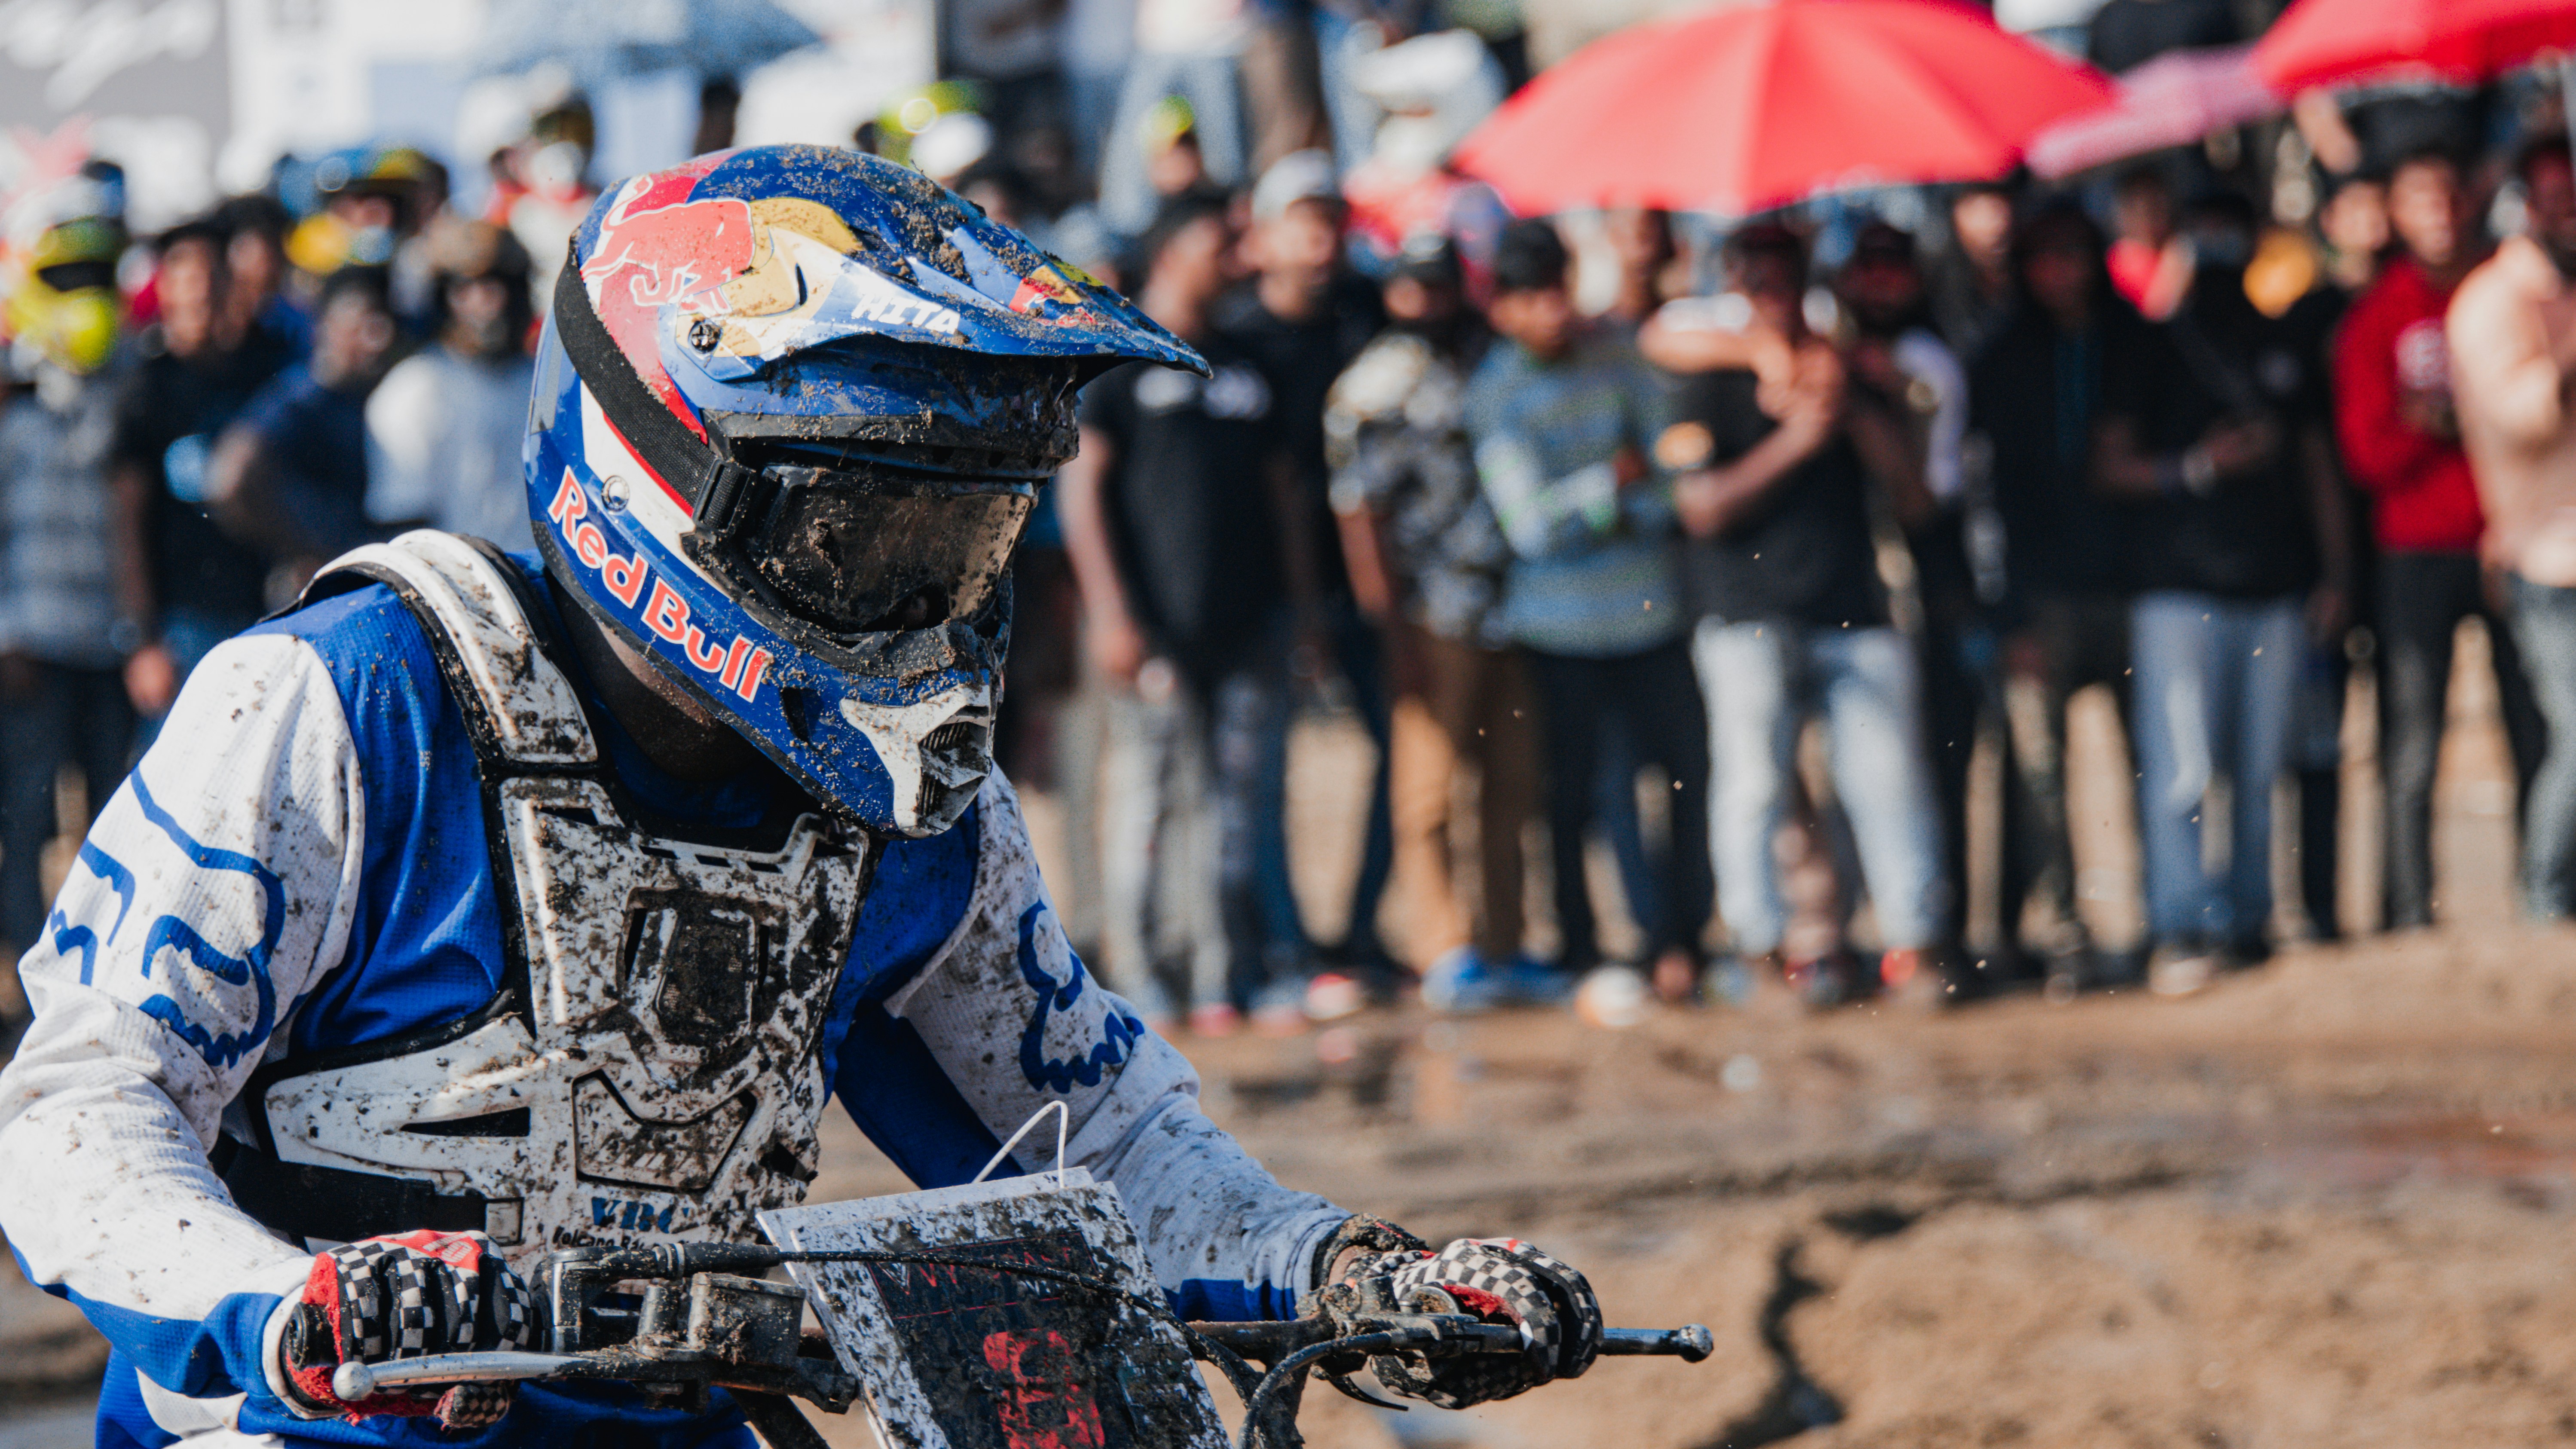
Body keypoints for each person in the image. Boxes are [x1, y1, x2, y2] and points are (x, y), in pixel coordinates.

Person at [0, 147, 1606, 1449]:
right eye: (865, 538)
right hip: (303, 1428)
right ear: (671, 469)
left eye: (962, 546)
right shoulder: (344, 698)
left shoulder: (906, 809)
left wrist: (1341, 1265)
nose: (920, 608)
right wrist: (286, 1302)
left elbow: (1090, 1132)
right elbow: (79, 1106)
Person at [1659, 223, 1949, 1008]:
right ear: (1733, 285)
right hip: (1742, 611)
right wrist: (1796, 440)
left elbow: (1915, 501)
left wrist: (1850, 410)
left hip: (1850, 607)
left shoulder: (1846, 369)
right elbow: (1699, 507)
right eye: (1756, 279)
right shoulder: (1706, 377)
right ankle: (1758, 953)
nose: (1773, 294)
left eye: (1785, 276)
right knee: (1752, 785)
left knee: (1886, 783)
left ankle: (1912, 945)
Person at [2095, 192, 2348, 994]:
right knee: (2182, 769)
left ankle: (2246, 918)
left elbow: (2316, 463)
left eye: (2227, 231)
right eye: (2201, 232)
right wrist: (2199, 466)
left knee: (2259, 767)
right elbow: (2109, 464)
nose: (2215, 245)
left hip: (2273, 584)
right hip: (2176, 587)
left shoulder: (2278, 342)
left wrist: (2335, 572)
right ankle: (2178, 923)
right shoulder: (2149, 343)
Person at [1062, 194, 1292, 1033]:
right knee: (1148, 803)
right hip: (1151, 629)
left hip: (1244, 627)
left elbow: (1283, 495)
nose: (1235, 256)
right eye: (1216, 241)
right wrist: (1110, 613)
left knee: (1231, 806)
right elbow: (1082, 492)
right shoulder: (1123, 362)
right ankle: (1139, 972)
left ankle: (1222, 970)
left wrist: (1298, 609)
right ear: (1170, 252)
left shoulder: (1244, 361)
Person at [1466, 218, 1710, 1004]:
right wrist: (1614, 484)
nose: (1551, 310)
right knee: (1573, 798)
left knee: (1682, 781)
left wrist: (1612, 495)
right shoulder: (1496, 391)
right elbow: (1530, 529)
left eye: (1557, 290)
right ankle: (1581, 946)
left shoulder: (1617, 357)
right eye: (1531, 297)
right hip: (1558, 630)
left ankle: (1681, 941)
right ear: (1501, 307)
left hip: (1648, 615)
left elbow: (1668, 479)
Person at [2336, 148, 2543, 931]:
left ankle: (2542, 895)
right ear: (2394, 213)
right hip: (2414, 548)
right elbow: (2366, 451)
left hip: (2508, 539)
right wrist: (2433, 426)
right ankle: (2406, 909)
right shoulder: (2377, 315)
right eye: (2420, 199)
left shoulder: (2504, 298)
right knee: (2412, 736)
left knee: (2530, 727)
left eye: (2450, 196)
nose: (2440, 215)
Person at [1327, 235, 1534, 1002]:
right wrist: (1391, 630)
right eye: (1416, 287)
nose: (1431, 301)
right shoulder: (1373, 388)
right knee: (1430, 792)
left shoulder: (1490, 361)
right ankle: (1443, 946)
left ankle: (1508, 940)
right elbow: (1360, 515)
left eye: (1442, 285)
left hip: (1514, 601)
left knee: (1511, 783)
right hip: (1430, 610)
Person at [1216, 149, 1396, 1013]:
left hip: (1377, 582)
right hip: (1276, 591)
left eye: (1333, 222)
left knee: (1400, 755)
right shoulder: (1238, 340)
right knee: (1268, 777)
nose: (1322, 241)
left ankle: (1360, 934)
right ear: (1263, 235)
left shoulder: (1369, 314)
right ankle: (1285, 946)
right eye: (1304, 223)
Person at [1971, 202, 2151, 988]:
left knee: (2149, 766)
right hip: (2039, 597)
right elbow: (1988, 496)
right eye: (2043, 257)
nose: (2060, 272)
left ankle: (2158, 920)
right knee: (2040, 776)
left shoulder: (2134, 341)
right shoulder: (1999, 358)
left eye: (2073, 254)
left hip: (2128, 589)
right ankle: (2063, 931)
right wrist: (2008, 613)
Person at [0, 213, 133, 967]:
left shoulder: (128, 387)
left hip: (110, 644)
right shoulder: (14, 402)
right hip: (34, 647)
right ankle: (28, 979)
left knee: (116, 823)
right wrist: (6, 632)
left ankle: (101, 971)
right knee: (29, 821)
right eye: (68, 280)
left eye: (97, 278)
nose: (87, 296)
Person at [107, 214, 297, 730]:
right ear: (166, 290)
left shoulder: (265, 373)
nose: (201, 294)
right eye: (187, 280)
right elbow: (127, 519)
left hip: (264, 610)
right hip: (181, 623)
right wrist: (143, 639)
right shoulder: (146, 385)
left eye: (212, 277)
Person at [2453, 137, 2576, 921]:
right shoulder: (2491, 301)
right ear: (2526, 208)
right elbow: (2524, 416)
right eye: (2558, 202)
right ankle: (2544, 896)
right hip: (2546, 558)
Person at [201, 266, 400, 600]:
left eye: (381, 325)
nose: (378, 340)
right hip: (315, 590)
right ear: (327, 328)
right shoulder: (301, 398)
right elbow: (230, 478)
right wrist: (308, 546)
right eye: (361, 326)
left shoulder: (368, 396)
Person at [365, 220, 540, 550]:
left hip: (537, 574)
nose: (491, 303)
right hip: (453, 576)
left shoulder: (539, 381)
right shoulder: (416, 388)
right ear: (441, 299)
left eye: (501, 285)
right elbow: (403, 525)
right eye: (467, 288)